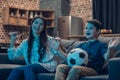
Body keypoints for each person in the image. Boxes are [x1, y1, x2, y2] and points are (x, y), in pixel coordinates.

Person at [55, 19, 119, 80]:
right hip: (79, 66)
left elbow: (107, 57)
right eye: (86, 28)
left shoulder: (101, 45)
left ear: (98, 31)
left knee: (76, 68)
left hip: (93, 69)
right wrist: (58, 48)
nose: (87, 30)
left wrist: (110, 49)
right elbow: (68, 58)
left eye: (91, 28)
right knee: (61, 67)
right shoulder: (82, 45)